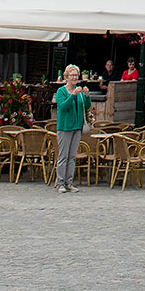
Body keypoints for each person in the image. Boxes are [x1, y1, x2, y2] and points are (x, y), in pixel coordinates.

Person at [54, 63, 91, 193]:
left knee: (72, 156)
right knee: (63, 156)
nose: (75, 77)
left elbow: (86, 106)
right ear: (67, 76)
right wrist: (73, 95)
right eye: (72, 75)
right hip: (65, 127)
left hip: (77, 127)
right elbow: (63, 106)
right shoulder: (61, 91)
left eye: (76, 75)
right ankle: (60, 183)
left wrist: (87, 96)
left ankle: (69, 182)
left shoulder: (79, 91)